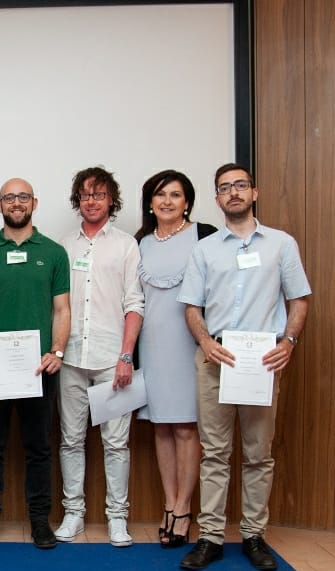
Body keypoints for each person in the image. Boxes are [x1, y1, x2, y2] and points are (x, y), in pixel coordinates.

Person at [177, 163, 311, 571]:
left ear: (254, 192)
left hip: (260, 361)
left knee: (258, 454)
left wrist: (288, 342)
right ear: (217, 199)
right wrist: (203, 341)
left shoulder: (281, 244)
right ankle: (212, 537)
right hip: (215, 359)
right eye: (224, 188)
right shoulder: (204, 249)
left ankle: (254, 536)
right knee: (214, 453)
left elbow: (299, 299)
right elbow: (192, 307)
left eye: (240, 186)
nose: (232, 193)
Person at [0, 179, 70, 550]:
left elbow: (62, 308)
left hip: (39, 369)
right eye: (9, 197)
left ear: (34, 203)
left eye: (23, 196)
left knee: (39, 447)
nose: (16, 203)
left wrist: (56, 351)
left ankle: (40, 522)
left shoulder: (54, 253)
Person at [55, 166, 145, 547]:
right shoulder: (64, 247)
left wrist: (127, 355)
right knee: (71, 441)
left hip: (113, 361)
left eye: (100, 194)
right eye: (86, 194)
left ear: (112, 200)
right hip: (71, 359)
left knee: (116, 443)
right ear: (78, 200)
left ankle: (117, 517)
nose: (92, 200)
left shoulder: (126, 245)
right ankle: (73, 513)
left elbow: (134, 303)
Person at [133, 170, 217, 548]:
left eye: (176, 195)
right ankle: (169, 502)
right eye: (160, 194)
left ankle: (184, 509)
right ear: (149, 202)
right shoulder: (140, 242)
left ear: (188, 202)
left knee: (187, 428)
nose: (167, 201)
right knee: (161, 427)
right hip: (151, 345)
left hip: (190, 346)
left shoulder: (206, 236)